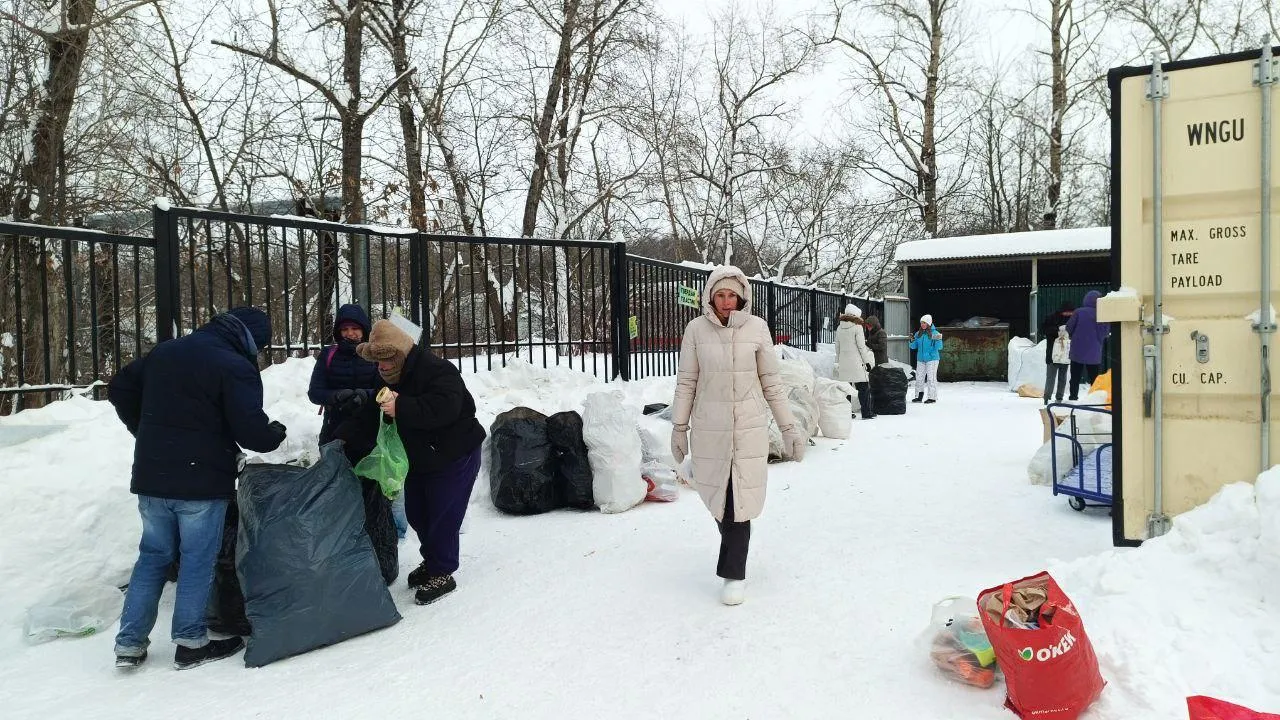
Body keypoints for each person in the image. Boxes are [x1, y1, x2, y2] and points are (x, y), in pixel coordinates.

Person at [107, 306, 286, 671]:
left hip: (153, 474)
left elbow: (119, 387)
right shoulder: (234, 366)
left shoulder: (168, 350)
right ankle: (190, 643)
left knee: (153, 557)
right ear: (251, 342)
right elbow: (251, 432)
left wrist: (145, 430)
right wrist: (275, 433)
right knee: (197, 559)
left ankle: (129, 643)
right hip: (201, 481)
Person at [669, 265, 806, 607]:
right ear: (710, 296)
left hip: (748, 428)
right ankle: (735, 541)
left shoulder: (757, 328)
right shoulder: (695, 330)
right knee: (718, 499)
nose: (726, 301)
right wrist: (679, 427)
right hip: (710, 428)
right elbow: (687, 382)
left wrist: (789, 427)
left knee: (736, 501)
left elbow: (771, 382)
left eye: (732, 295)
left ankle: (733, 574)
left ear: (742, 297)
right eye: (720, 294)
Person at [344, 319, 486, 605]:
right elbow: (374, 413)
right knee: (418, 513)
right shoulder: (387, 376)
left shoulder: (438, 370)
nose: (382, 367)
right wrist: (342, 438)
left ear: (400, 353)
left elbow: (446, 408)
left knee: (441, 515)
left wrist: (402, 406)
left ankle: (442, 571)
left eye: (386, 360)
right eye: (377, 362)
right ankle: (432, 560)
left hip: (454, 453)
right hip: (420, 456)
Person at [306, 303, 400, 585]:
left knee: (373, 487)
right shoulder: (329, 356)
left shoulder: (373, 355)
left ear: (364, 330)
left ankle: (380, 540)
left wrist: (364, 395)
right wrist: (337, 397)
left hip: (369, 432)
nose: (350, 334)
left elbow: (386, 385)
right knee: (337, 486)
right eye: (345, 329)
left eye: (355, 328)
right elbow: (315, 391)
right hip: (336, 432)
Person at [834, 303, 877, 419]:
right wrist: (867, 362)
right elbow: (861, 347)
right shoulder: (857, 328)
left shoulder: (839, 328)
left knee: (846, 388)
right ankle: (866, 413)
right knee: (863, 387)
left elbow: (837, 347)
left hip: (843, 363)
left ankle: (847, 413)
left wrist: (837, 362)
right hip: (856, 363)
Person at [1065, 290, 1110, 401]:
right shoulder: (1102, 314)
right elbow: (1105, 332)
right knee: (1094, 378)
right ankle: (1095, 399)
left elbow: (1069, 327)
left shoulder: (1078, 312)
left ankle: (1073, 398)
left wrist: (1074, 335)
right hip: (1094, 352)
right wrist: (1098, 340)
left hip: (1077, 350)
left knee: (1075, 377)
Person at [1040, 302, 1075, 404]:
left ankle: (1059, 398)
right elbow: (1043, 330)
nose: (1069, 314)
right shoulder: (1051, 318)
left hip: (1065, 352)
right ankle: (1047, 397)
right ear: (1062, 311)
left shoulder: (1072, 319)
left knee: (1062, 377)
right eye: (1067, 312)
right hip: (1052, 352)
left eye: (1070, 312)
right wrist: (1057, 330)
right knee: (1051, 377)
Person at [909, 314, 944, 404]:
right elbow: (913, 347)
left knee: (931, 378)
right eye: (921, 323)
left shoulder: (935, 333)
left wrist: (938, 340)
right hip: (921, 359)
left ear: (928, 323)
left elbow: (940, 347)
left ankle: (932, 397)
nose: (922, 324)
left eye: (924, 323)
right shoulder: (918, 334)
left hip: (932, 359)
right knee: (919, 378)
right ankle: (918, 396)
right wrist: (912, 340)